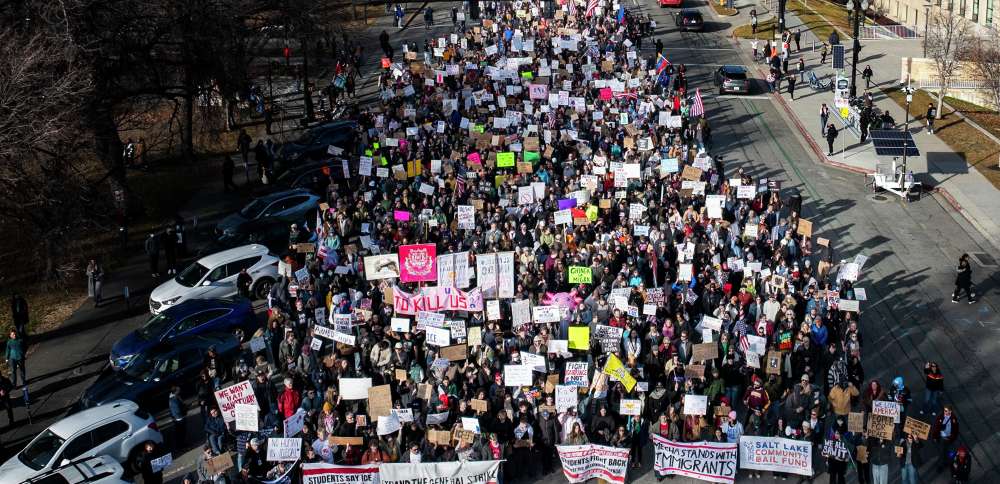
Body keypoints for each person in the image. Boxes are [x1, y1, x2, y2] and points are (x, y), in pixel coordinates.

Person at [932, 405, 959, 471]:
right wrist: (935, 437)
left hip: (949, 438)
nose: (944, 412)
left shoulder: (953, 418)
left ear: (950, 411)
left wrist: (953, 438)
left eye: (946, 410)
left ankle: (948, 462)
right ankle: (941, 465)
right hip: (942, 438)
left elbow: (956, 429)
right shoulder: (940, 417)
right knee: (942, 452)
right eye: (944, 410)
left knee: (950, 452)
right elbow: (936, 427)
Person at [168, 386, 186, 450]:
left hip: (177, 417)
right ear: (175, 391)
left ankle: (182, 445)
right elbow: (178, 410)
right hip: (179, 418)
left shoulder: (173, 398)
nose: (179, 391)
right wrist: (184, 409)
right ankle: (181, 446)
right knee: (181, 433)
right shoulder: (174, 399)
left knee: (180, 433)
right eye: (178, 390)